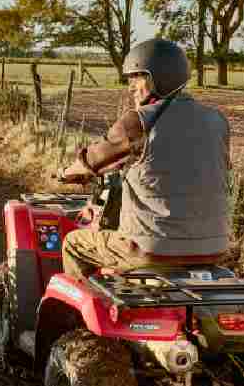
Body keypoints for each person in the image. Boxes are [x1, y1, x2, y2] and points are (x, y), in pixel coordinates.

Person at [56, 38, 231, 278]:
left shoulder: (139, 121)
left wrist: (67, 174)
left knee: (74, 243)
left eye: (136, 77)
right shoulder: (217, 120)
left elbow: (93, 160)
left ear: (157, 79)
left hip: (150, 249)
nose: (130, 87)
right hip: (214, 248)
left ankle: (77, 313)